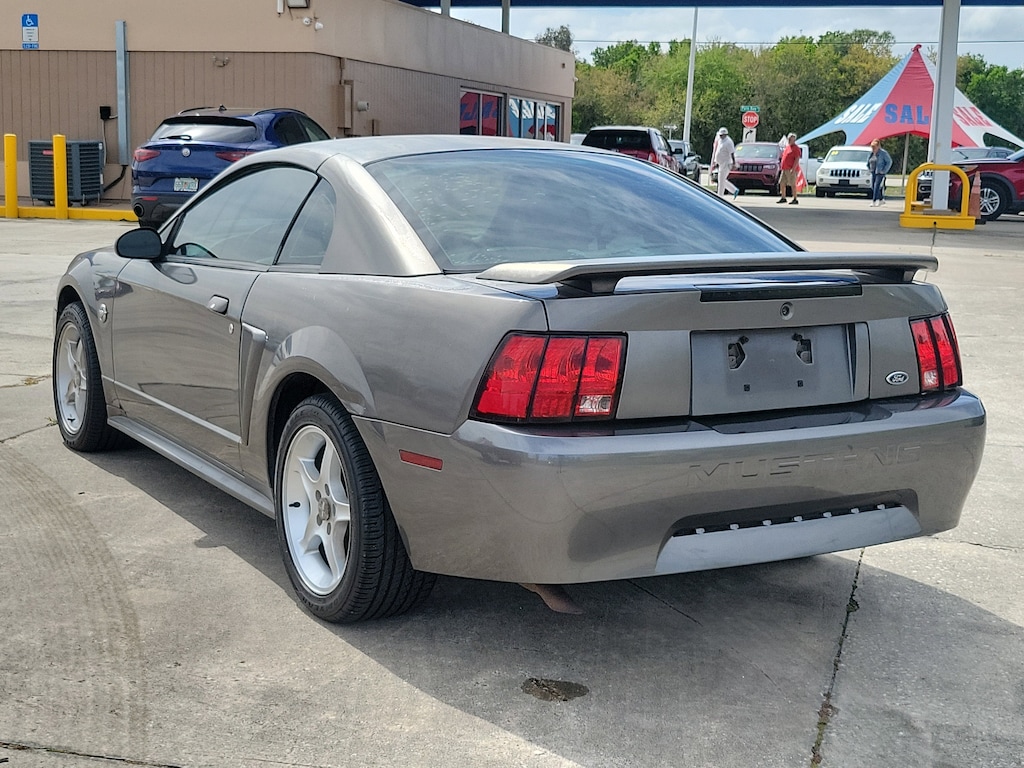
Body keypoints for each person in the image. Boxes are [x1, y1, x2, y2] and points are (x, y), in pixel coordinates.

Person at [711, 127, 738, 199]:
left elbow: (732, 153)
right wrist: (715, 162)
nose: (720, 136)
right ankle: (734, 190)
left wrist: (734, 163)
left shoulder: (729, 142)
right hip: (721, 163)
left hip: (726, 163)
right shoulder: (720, 140)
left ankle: (720, 196)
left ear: (725, 135)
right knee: (721, 180)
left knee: (721, 180)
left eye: (722, 135)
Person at [868, 139, 893, 207]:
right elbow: (869, 161)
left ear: (878, 146)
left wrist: (884, 170)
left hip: (880, 172)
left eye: (874, 147)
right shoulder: (872, 153)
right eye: (872, 147)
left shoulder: (883, 153)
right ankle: (881, 199)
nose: (873, 149)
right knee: (873, 186)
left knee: (876, 186)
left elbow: (889, 162)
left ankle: (874, 201)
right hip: (873, 171)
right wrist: (869, 168)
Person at [778, 133, 802, 205]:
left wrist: (793, 169)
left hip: (791, 169)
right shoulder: (788, 147)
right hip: (784, 169)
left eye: (790, 139)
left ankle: (795, 199)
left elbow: (797, 159)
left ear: (794, 140)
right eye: (788, 139)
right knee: (782, 183)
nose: (789, 140)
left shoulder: (796, 148)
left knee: (792, 184)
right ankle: (783, 197)